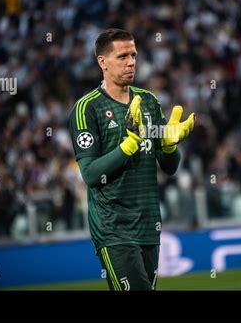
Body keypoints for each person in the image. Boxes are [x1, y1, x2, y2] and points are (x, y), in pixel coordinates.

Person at [68, 28, 195, 291]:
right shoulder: (86, 108)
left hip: (149, 224)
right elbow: (90, 174)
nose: (131, 62)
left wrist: (170, 147)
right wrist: (129, 145)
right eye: (122, 56)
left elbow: (169, 168)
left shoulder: (148, 101)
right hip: (114, 229)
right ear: (102, 62)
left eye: (134, 55)